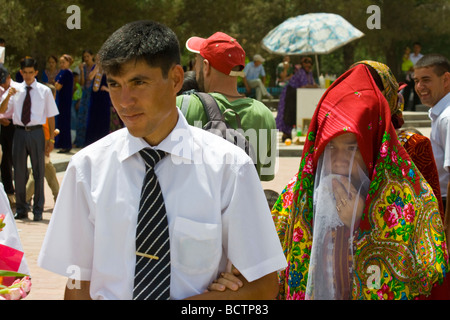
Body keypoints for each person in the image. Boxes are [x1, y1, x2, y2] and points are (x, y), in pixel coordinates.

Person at [38, 20, 287, 300]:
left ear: (176, 79)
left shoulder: (229, 168)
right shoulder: (87, 169)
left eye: (138, 83)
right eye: (115, 85)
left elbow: (263, 285)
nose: (124, 101)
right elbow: (77, 286)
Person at [270, 64, 448, 300]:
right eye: (330, 147)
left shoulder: (409, 196)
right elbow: (270, 267)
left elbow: (425, 272)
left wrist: (365, 224)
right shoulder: (296, 195)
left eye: (353, 148)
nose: (341, 161)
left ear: (374, 144)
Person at [176, 31, 277, 181]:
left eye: (196, 63)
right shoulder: (265, 115)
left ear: (206, 66)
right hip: (242, 204)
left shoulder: (182, 105)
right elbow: (263, 178)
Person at [0, 57, 59, 221]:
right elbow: (2, 109)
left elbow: (51, 115)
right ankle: (21, 208)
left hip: (37, 132)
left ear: (36, 73)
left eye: (30, 72)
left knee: (39, 171)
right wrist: (7, 95)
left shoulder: (44, 90)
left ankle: (38, 210)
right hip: (18, 132)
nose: (27, 76)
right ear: (21, 72)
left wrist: (51, 140)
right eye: (24, 72)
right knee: (19, 172)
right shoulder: (15, 89)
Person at [414, 54, 450, 246]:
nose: (420, 87)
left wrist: (447, 225)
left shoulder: (447, 117)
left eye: (426, 80)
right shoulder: (440, 114)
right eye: (417, 81)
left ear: (446, 79)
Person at [26, 84, 60, 204]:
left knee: (48, 170)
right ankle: (25, 198)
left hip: (40, 141)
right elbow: (44, 128)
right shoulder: (45, 109)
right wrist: (50, 140)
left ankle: (58, 196)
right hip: (43, 143)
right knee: (37, 174)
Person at [276, 56, 318, 142]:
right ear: (302, 64)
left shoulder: (309, 73)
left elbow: (312, 84)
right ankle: (286, 134)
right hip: (290, 94)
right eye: (306, 62)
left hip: (297, 95)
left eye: (310, 62)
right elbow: (304, 86)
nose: (308, 64)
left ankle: (289, 134)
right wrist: (312, 86)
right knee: (288, 114)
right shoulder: (301, 72)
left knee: (293, 115)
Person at [0, 66, 17, 208]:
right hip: (3, 126)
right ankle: (9, 191)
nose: (2, 84)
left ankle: (22, 195)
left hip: (16, 126)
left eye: (3, 80)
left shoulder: (18, 88)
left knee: (17, 159)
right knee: (5, 160)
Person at [84, 61, 112, 146]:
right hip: (95, 96)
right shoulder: (95, 67)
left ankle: (103, 143)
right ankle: (91, 142)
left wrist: (107, 89)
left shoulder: (109, 67)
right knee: (93, 118)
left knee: (103, 119)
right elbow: (90, 77)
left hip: (105, 96)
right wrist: (97, 67)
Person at [74, 50, 95, 148]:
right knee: (81, 117)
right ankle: (80, 141)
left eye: (88, 56)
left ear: (92, 56)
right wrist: (82, 71)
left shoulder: (95, 67)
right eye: (84, 57)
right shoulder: (84, 68)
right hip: (85, 93)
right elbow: (82, 83)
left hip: (93, 94)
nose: (86, 59)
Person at [54, 54, 74, 153]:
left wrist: (56, 84)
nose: (61, 64)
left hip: (65, 101)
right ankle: (63, 144)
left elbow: (57, 86)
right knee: (62, 122)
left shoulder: (66, 73)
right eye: (60, 62)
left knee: (64, 122)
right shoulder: (64, 72)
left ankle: (65, 144)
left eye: (63, 62)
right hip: (62, 100)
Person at [404, 42, 424, 111]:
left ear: (420, 48)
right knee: (406, 91)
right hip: (409, 76)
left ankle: (414, 108)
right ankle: (404, 108)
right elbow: (405, 65)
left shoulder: (422, 57)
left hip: (417, 77)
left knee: (416, 92)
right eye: (415, 47)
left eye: (417, 48)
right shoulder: (409, 56)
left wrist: (415, 68)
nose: (416, 49)